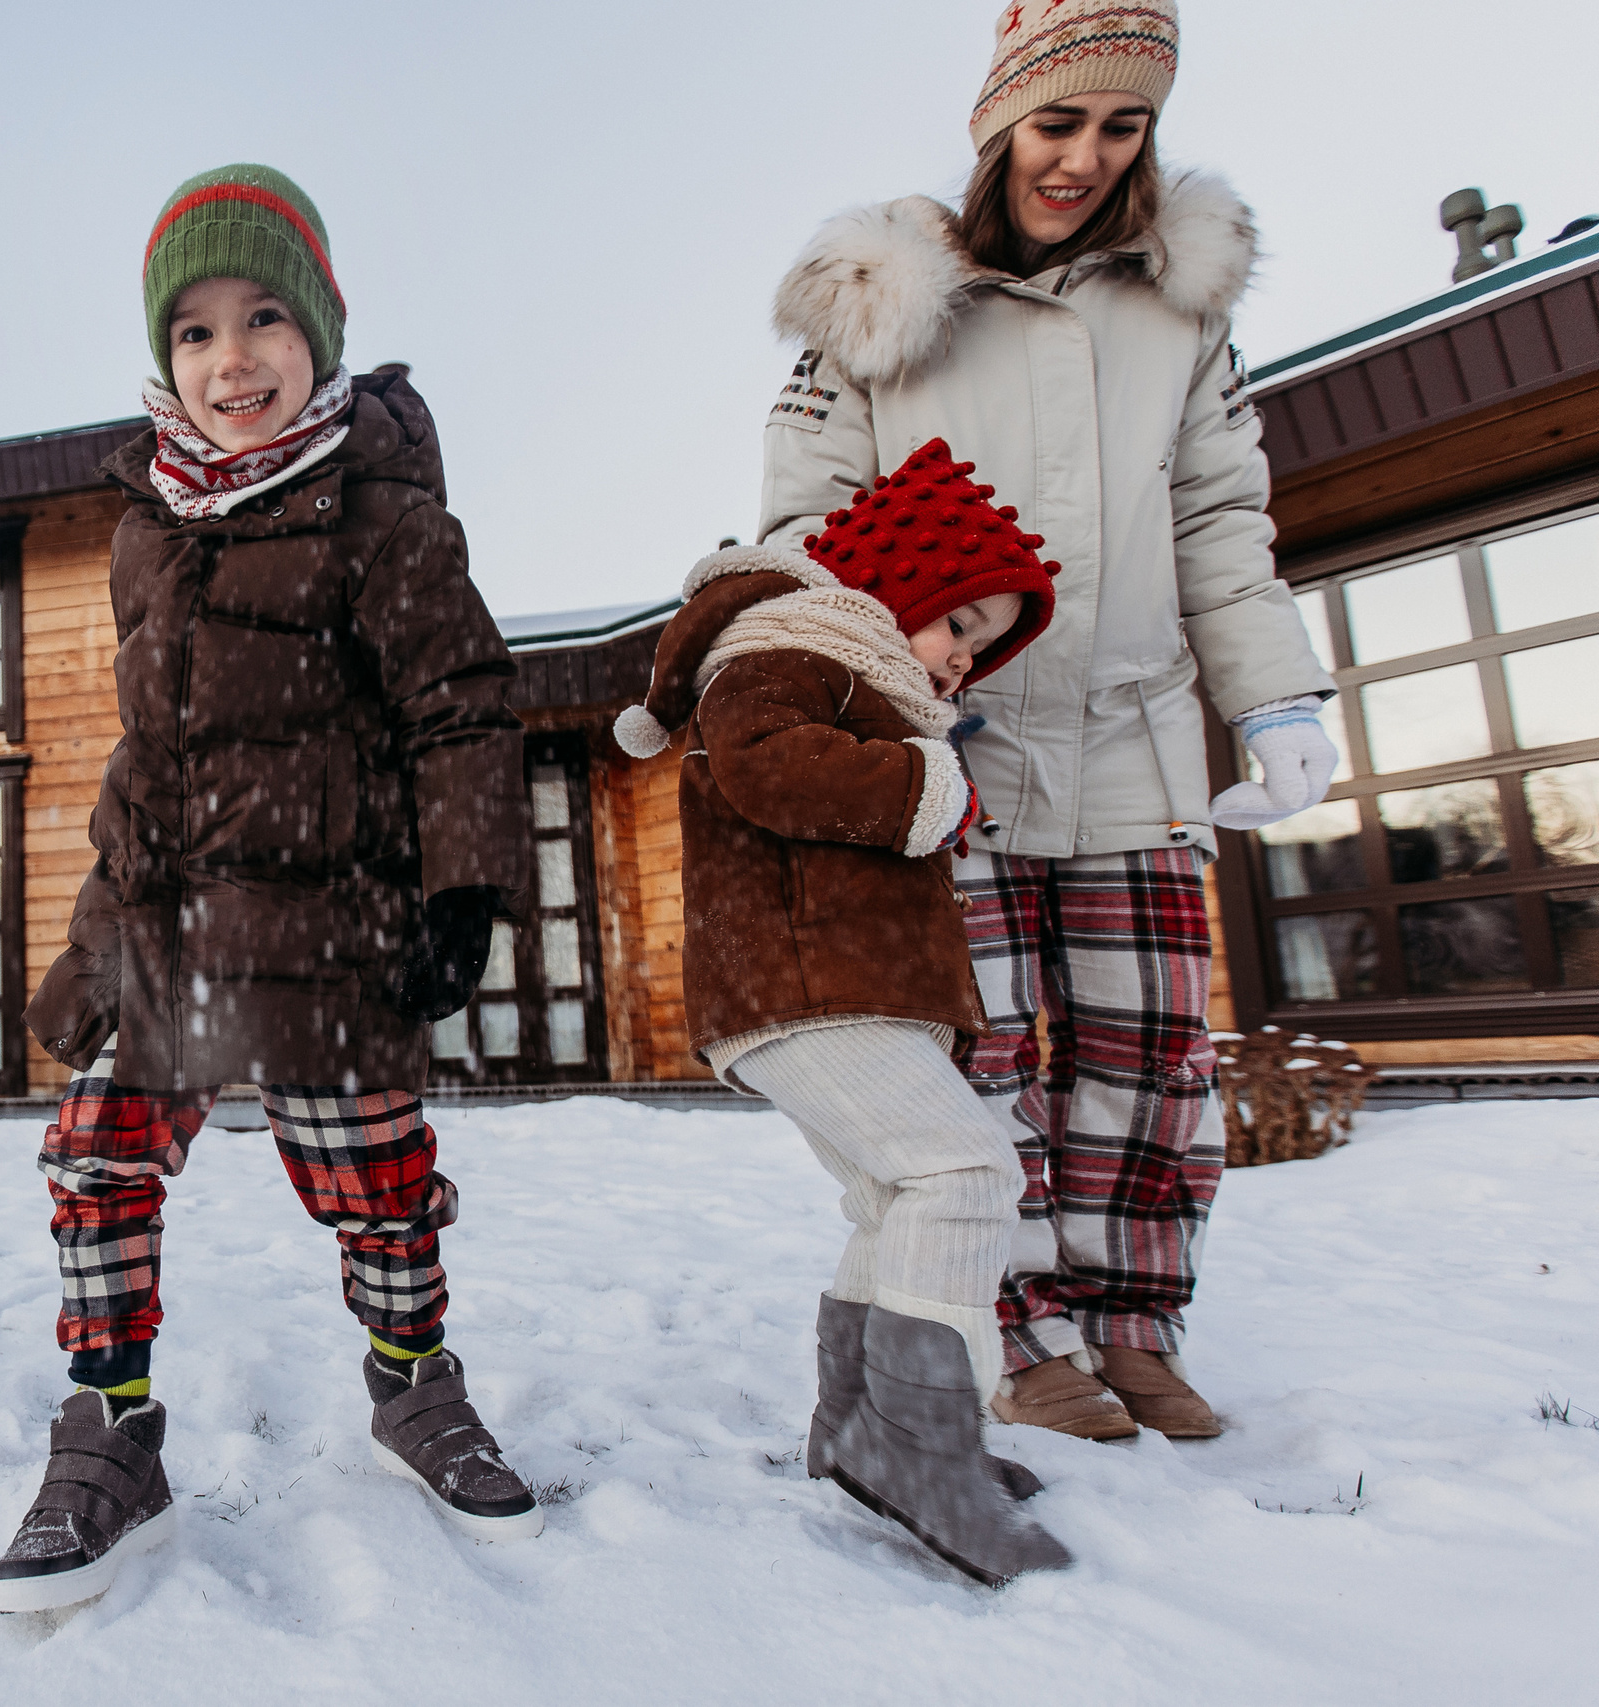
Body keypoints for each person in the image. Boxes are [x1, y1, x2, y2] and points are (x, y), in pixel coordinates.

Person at [758, 1, 1337, 1441]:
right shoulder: (882, 295)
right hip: (950, 750)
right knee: (987, 1062)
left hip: (1136, 739)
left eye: (1122, 125)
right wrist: (882, 682)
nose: (1084, 156)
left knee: (1149, 1065)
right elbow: (800, 531)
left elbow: (1218, 518)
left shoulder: (1180, 309)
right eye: (1058, 120)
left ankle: (1134, 1324)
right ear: (998, 122)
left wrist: (1273, 696)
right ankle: (1018, 1331)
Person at [0, 164, 540, 1614]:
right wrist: (103, 930)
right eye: (194, 331)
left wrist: (461, 888)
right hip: (166, 919)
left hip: (328, 919)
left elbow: (461, 709)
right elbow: (148, 754)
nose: (230, 359)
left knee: (374, 1180)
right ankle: (110, 1428)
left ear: (320, 332)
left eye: (264, 318)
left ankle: (414, 1382)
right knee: (95, 1155)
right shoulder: (148, 530)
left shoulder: (383, 518)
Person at [615, 438, 1073, 1584]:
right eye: (957, 623)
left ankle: (860, 1425)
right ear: (891, 584)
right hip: (805, 979)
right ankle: (920, 1445)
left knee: (892, 1194)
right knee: (962, 1174)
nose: (964, 659)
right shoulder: (783, 652)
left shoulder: (844, 673)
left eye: (983, 646)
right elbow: (767, 767)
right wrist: (926, 785)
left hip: (828, 983)